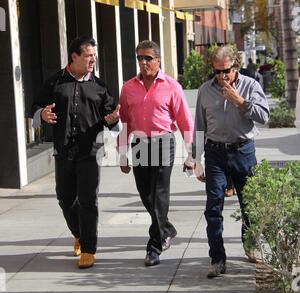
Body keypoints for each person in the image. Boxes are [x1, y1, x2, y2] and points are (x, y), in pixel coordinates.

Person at [31, 36, 121, 269]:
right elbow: (34, 107)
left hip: (91, 152)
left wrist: (113, 121)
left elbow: (111, 116)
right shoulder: (55, 83)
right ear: (74, 57)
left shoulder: (100, 86)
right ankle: (79, 233)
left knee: (88, 200)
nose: (93, 60)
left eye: (94, 55)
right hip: (63, 152)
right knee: (65, 199)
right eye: (88, 55)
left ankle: (89, 249)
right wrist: (41, 115)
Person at [193, 45, 270, 278]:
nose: (221, 77)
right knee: (213, 206)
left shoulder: (251, 86)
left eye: (225, 71)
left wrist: (240, 101)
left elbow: (264, 117)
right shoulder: (205, 91)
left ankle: (250, 245)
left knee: (249, 205)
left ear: (235, 66)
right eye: (216, 72)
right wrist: (195, 158)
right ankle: (217, 259)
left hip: (243, 151)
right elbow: (199, 126)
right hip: (215, 152)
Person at [117, 40, 194, 267]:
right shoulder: (128, 87)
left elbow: (185, 122)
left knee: (159, 193)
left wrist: (192, 154)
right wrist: (122, 153)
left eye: (148, 58)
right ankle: (167, 228)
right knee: (146, 195)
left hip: (164, 142)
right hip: (140, 144)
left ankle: (154, 247)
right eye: (140, 57)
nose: (143, 62)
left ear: (159, 60)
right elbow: (125, 123)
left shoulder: (172, 86)